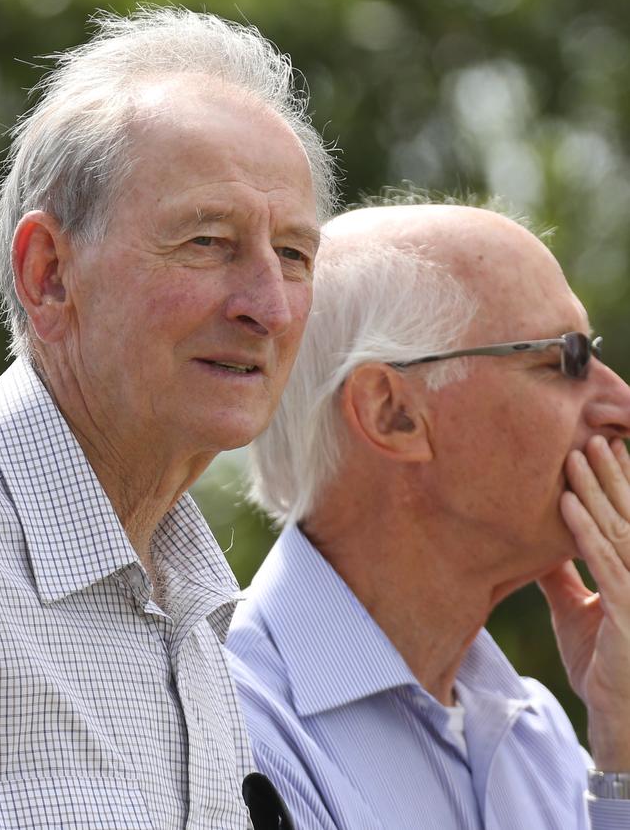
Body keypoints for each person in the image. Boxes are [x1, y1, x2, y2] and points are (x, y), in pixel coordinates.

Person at [0, 6, 335, 829]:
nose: (269, 308)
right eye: (208, 241)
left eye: (293, 254)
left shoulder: (203, 615)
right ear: (48, 276)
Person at [227, 197, 630, 830]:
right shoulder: (230, 729)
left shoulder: (537, 733)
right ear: (392, 412)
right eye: (567, 359)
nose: (620, 404)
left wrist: (623, 736)